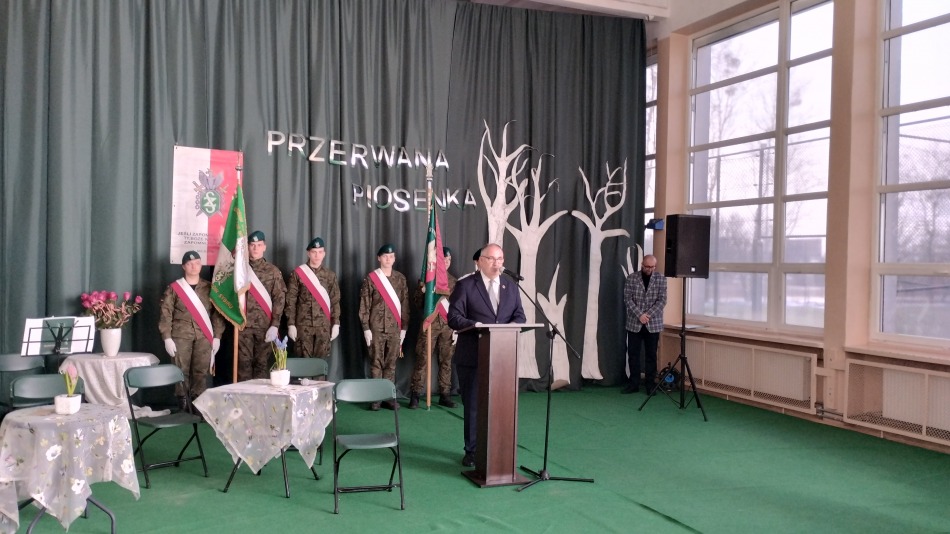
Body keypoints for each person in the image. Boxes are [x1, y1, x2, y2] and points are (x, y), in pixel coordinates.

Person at [447, 243, 526, 468]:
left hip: (502, 358)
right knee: (474, 405)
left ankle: (498, 449)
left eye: (500, 259)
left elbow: (520, 316)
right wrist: (476, 325)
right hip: (473, 356)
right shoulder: (466, 285)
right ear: (480, 261)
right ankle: (472, 451)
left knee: (501, 406)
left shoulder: (511, 287)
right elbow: (454, 317)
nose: (496, 263)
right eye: (491, 259)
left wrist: (511, 327)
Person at [159, 250, 226, 411]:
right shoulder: (175, 288)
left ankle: (197, 407)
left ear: (201, 265)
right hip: (180, 336)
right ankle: (183, 406)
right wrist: (167, 337)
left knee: (200, 372)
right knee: (180, 371)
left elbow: (217, 314)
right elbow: (166, 313)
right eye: (189, 264)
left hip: (204, 336)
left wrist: (217, 336)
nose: (194, 266)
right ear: (183, 266)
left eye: (197, 263)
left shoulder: (210, 288)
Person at [359, 243, 410, 411]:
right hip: (376, 327)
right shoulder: (371, 278)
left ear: (394, 259)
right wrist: (366, 327)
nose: (388, 259)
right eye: (385, 256)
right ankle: (376, 398)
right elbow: (365, 304)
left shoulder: (400, 279)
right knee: (376, 363)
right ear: (379, 258)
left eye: (391, 256)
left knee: (391, 364)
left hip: (395, 328)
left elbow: (405, 305)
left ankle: (388, 397)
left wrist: (404, 328)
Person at [409, 247, 458, 409]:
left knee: (446, 361)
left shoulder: (454, 282)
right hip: (429, 325)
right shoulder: (428, 279)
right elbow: (417, 304)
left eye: (449, 260)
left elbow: (458, 307)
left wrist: (456, 329)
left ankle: (445, 394)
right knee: (422, 360)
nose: (446, 262)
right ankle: (415, 394)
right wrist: (423, 291)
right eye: (444, 260)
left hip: (448, 327)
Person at [238, 230, 286, 381]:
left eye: (259, 245)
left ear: (264, 247)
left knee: (262, 366)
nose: (255, 248)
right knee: (243, 366)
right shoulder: (239, 270)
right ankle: (244, 395)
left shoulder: (273, 272)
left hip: (265, 327)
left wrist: (275, 325)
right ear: (247, 247)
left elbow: (279, 299)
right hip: (243, 325)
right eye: (252, 245)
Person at [286, 237, 341, 363]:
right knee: (304, 365)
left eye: (320, 252)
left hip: (323, 326)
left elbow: (335, 301)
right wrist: (291, 324)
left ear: (324, 254)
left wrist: (336, 323)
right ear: (308, 253)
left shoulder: (330, 275)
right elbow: (291, 301)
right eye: (314, 252)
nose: (317, 255)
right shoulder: (298, 274)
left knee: (320, 365)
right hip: (303, 326)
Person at [622, 254, 667, 394]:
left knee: (651, 355)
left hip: (653, 324)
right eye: (647, 267)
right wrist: (639, 315)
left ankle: (650, 385)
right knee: (633, 354)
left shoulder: (661, 279)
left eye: (652, 267)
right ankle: (633, 384)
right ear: (642, 265)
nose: (650, 269)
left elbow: (662, 300)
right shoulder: (632, 278)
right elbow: (627, 299)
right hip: (634, 323)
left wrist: (648, 315)